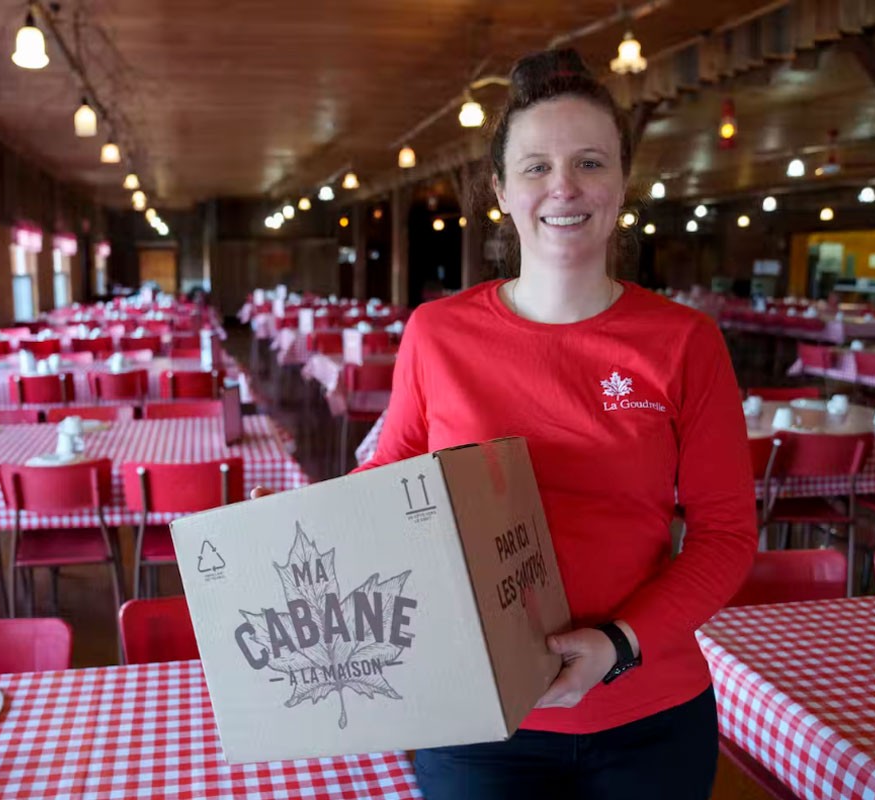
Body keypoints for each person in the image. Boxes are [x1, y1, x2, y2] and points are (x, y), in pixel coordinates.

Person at [258, 49, 756, 798]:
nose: (564, 186)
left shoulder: (684, 342)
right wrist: (286, 544)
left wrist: (616, 646)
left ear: (622, 182)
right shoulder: (437, 332)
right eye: (536, 166)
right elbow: (387, 480)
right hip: (478, 716)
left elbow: (726, 538)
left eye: (590, 162)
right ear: (500, 190)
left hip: (649, 711)